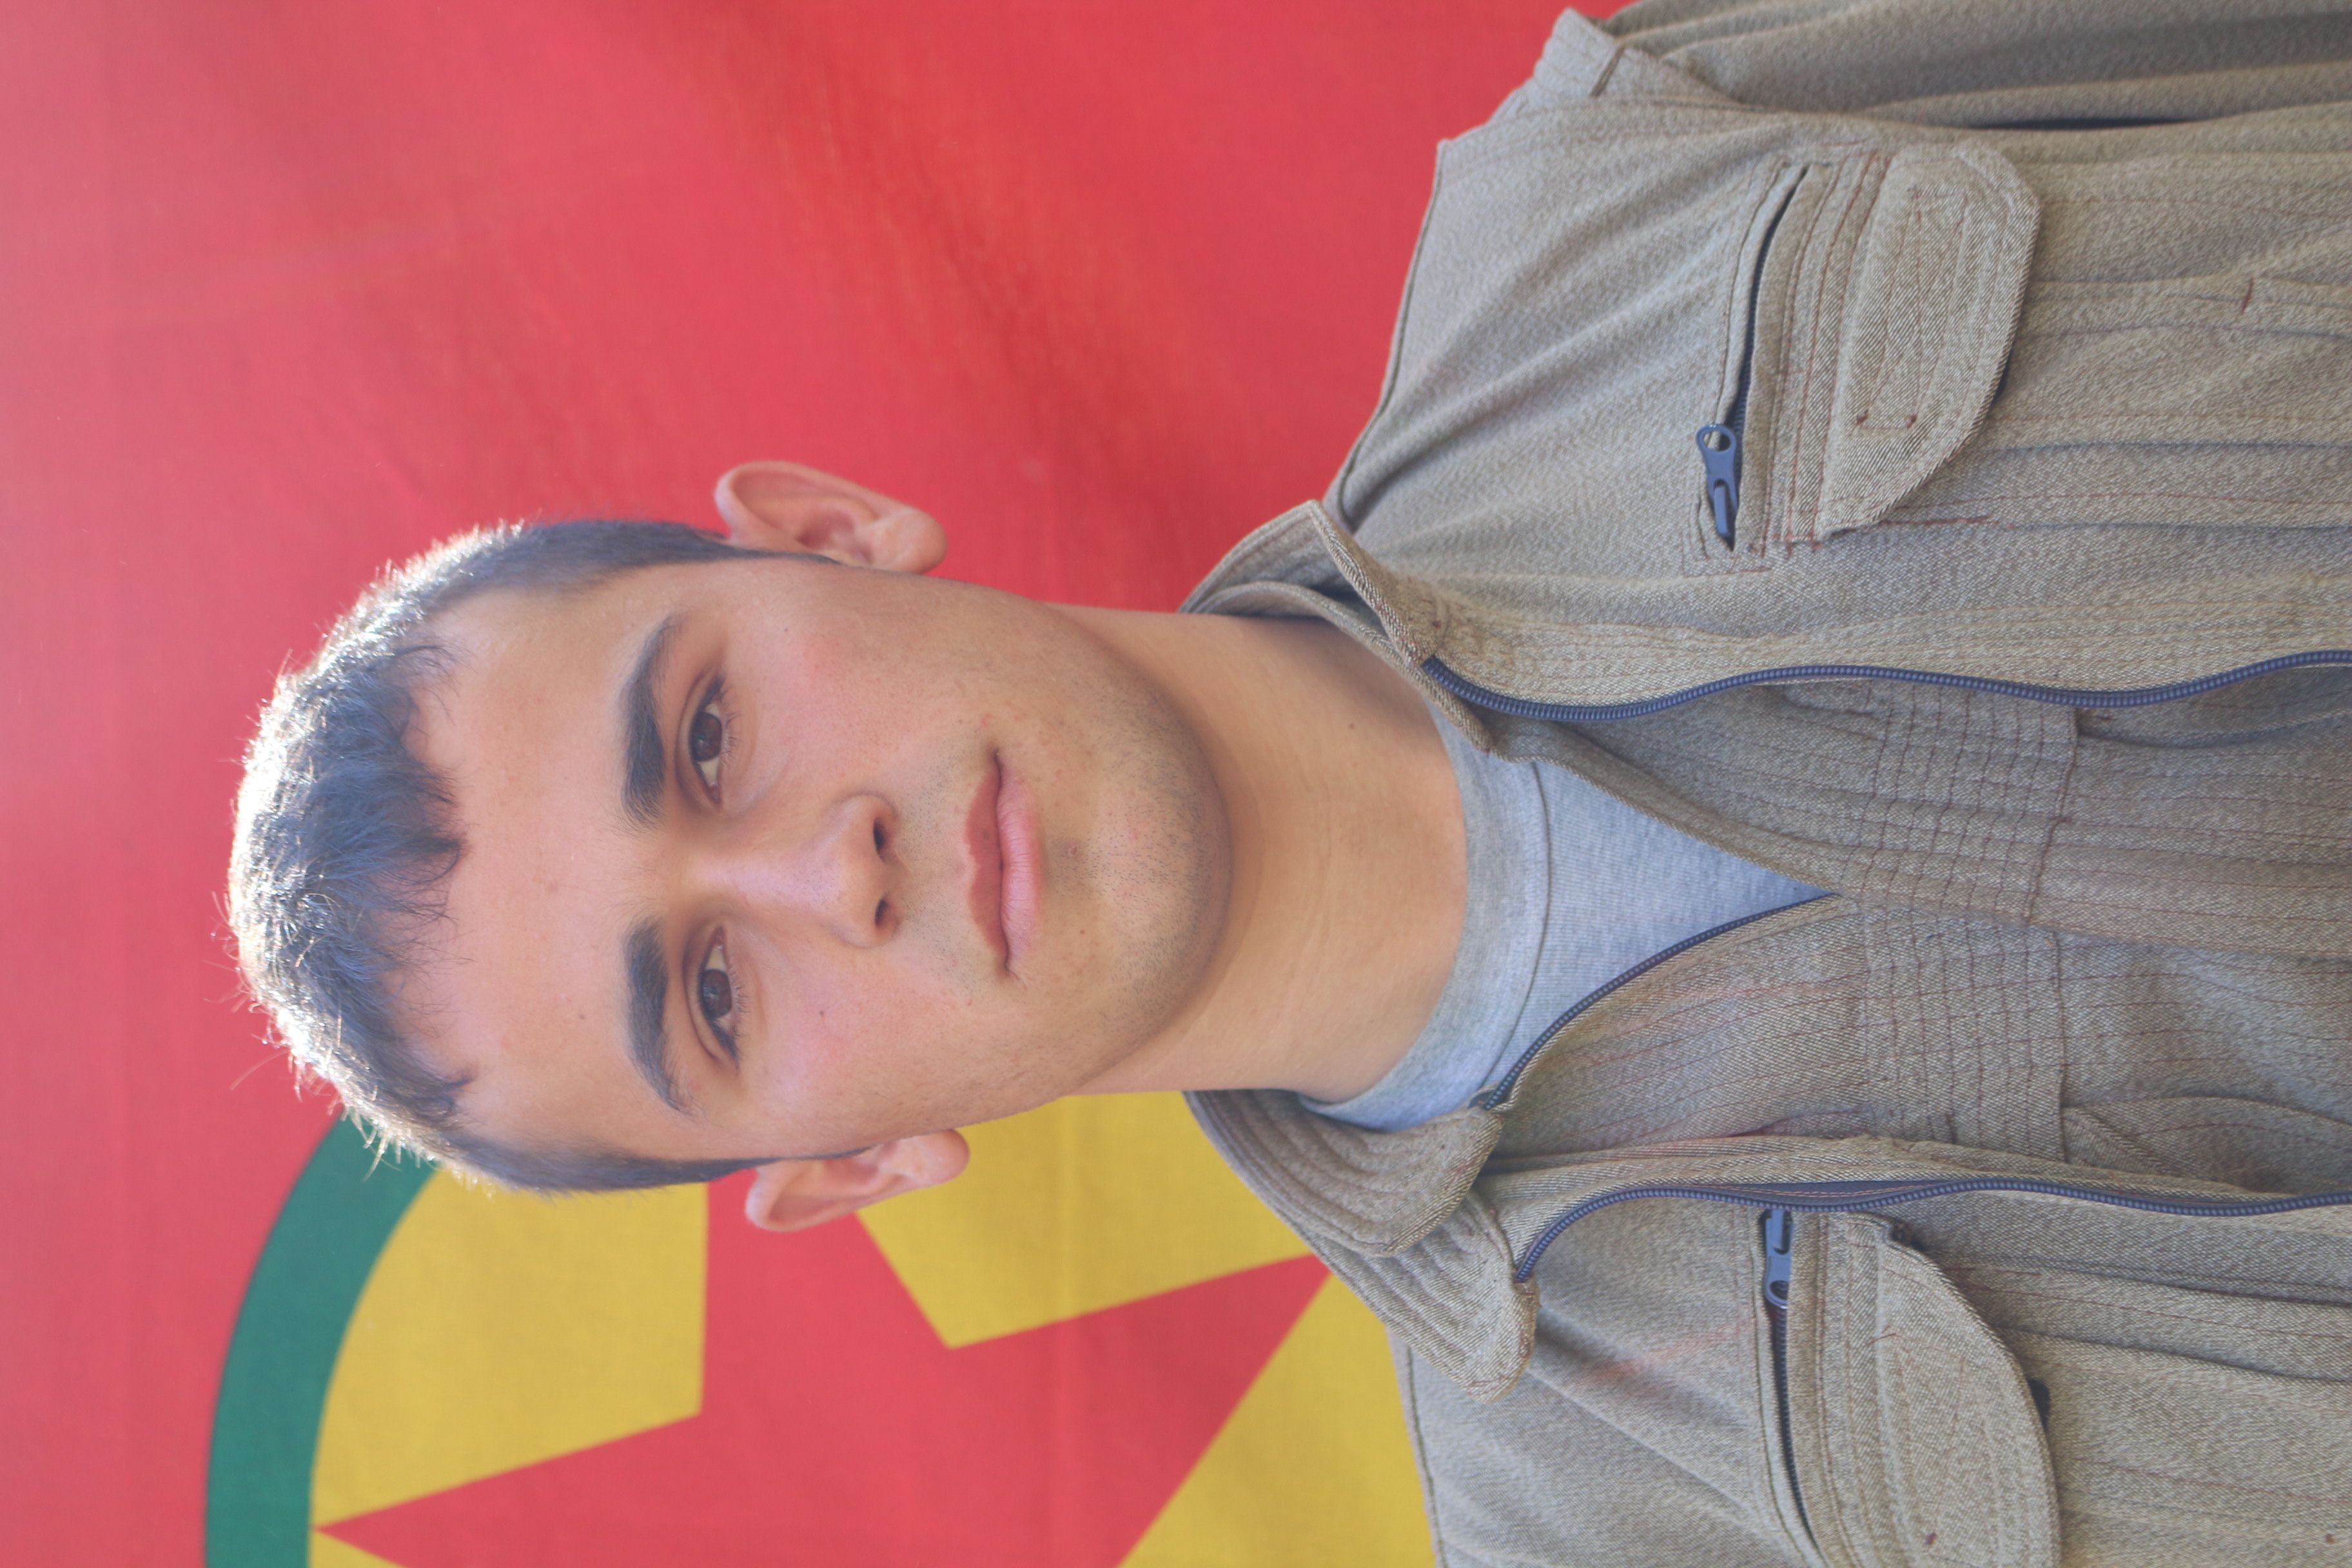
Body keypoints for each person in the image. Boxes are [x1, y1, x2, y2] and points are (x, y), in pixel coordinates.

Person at [231, 1, 2352, 1560]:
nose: (826, 869)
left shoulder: (1655, 172)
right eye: (711, 995)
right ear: (853, 1167)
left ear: (824, 529)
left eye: (705, 734)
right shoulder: (1619, 1514)